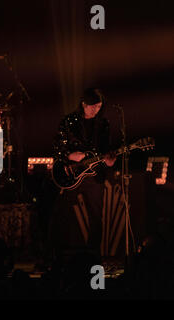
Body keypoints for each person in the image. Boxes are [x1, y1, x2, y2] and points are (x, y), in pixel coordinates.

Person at [51, 88, 116, 259]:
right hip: (72, 174)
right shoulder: (69, 121)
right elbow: (57, 147)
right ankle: (58, 254)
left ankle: (93, 255)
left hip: (94, 175)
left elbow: (106, 150)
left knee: (96, 216)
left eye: (99, 106)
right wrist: (70, 156)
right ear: (84, 104)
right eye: (93, 106)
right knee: (62, 213)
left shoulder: (103, 124)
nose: (96, 110)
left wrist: (109, 160)